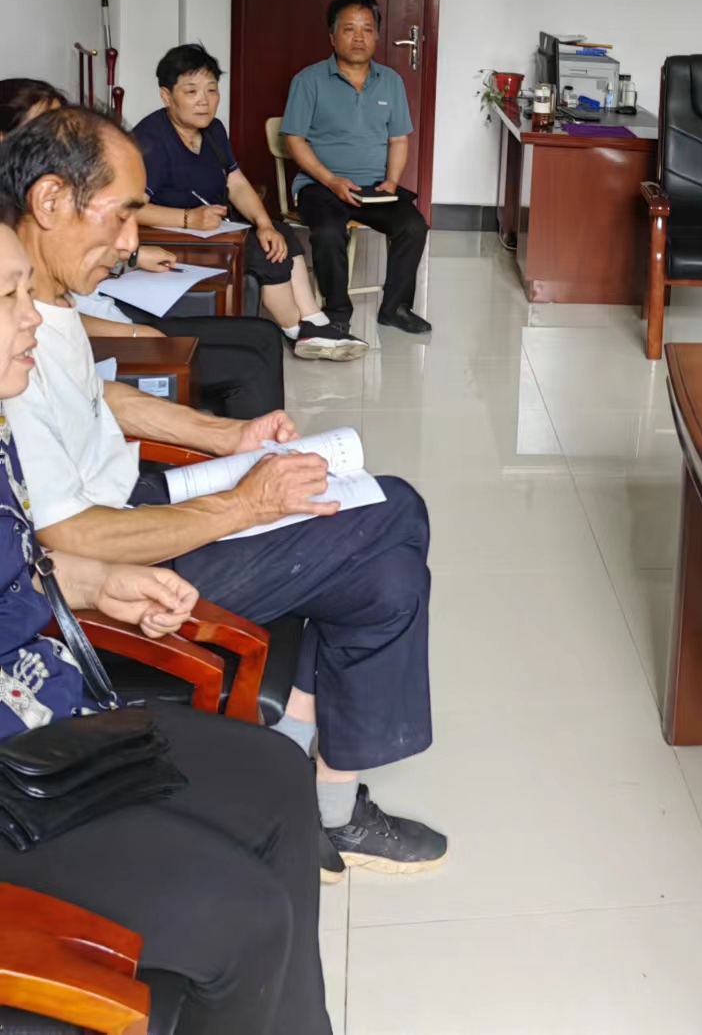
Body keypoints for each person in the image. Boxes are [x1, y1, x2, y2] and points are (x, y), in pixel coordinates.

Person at [0, 105, 447, 878]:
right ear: (50, 201)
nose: (132, 240)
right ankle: (323, 801)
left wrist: (225, 438)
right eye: (123, 213)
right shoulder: (12, 334)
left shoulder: (44, 302)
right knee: (393, 518)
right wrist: (244, 504)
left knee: (384, 563)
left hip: (143, 500)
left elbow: (100, 398)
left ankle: (314, 788)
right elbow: (71, 541)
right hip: (118, 564)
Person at [0, 206, 332, 1034]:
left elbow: (21, 567)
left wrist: (97, 583)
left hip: (48, 720)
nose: (33, 318)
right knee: (241, 919)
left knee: (278, 776)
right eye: (8, 299)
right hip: (12, 785)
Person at [0, 79, 287, 419]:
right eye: (43, 135)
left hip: (104, 319)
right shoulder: (16, 239)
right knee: (246, 364)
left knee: (265, 334)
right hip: (105, 337)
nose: (63, 150)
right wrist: (134, 332)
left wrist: (133, 257)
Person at [135, 44, 366, 361]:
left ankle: (314, 321)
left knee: (280, 234)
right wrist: (188, 218)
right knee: (264, 255)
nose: (204, 100)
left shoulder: (213, 130)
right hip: (174, 236)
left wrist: (264, 224)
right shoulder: (150, 140)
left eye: (211, 89)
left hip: (214, 229)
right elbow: (130, 208)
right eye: (191, 91)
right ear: (166, 96)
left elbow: (236, 183)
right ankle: (298, 331)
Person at [282, 0, 431, 337]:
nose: (359, 37)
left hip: (374, 188)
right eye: (349, 29)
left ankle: (395, 308)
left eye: (367, 29)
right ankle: (336, 312)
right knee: (328, 232)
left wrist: (391, 181)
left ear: (377, 36)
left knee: (413, 226)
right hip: (320, 186)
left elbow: (398, 140)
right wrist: (330, 180)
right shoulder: (308, 81)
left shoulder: (390, 82)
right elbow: (294, 140)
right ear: (332, 37)